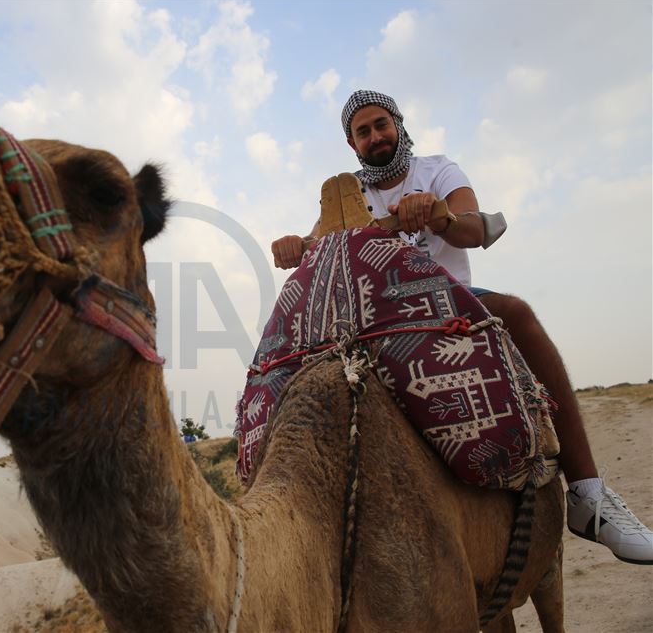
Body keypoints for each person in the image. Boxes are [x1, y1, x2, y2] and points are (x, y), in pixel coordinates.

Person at [270, 89, 653, 565]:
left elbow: (476, 228)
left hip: (446, 310)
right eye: (362, 131)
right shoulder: (349, 195)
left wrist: (440, 216)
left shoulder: (437, 170)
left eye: (380, 125)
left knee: (516, 313)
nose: (374, 137)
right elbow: (317, 242)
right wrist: (294, 246)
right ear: (352, 145)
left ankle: (588, 495)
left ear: (398, 125)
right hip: (376, 326)